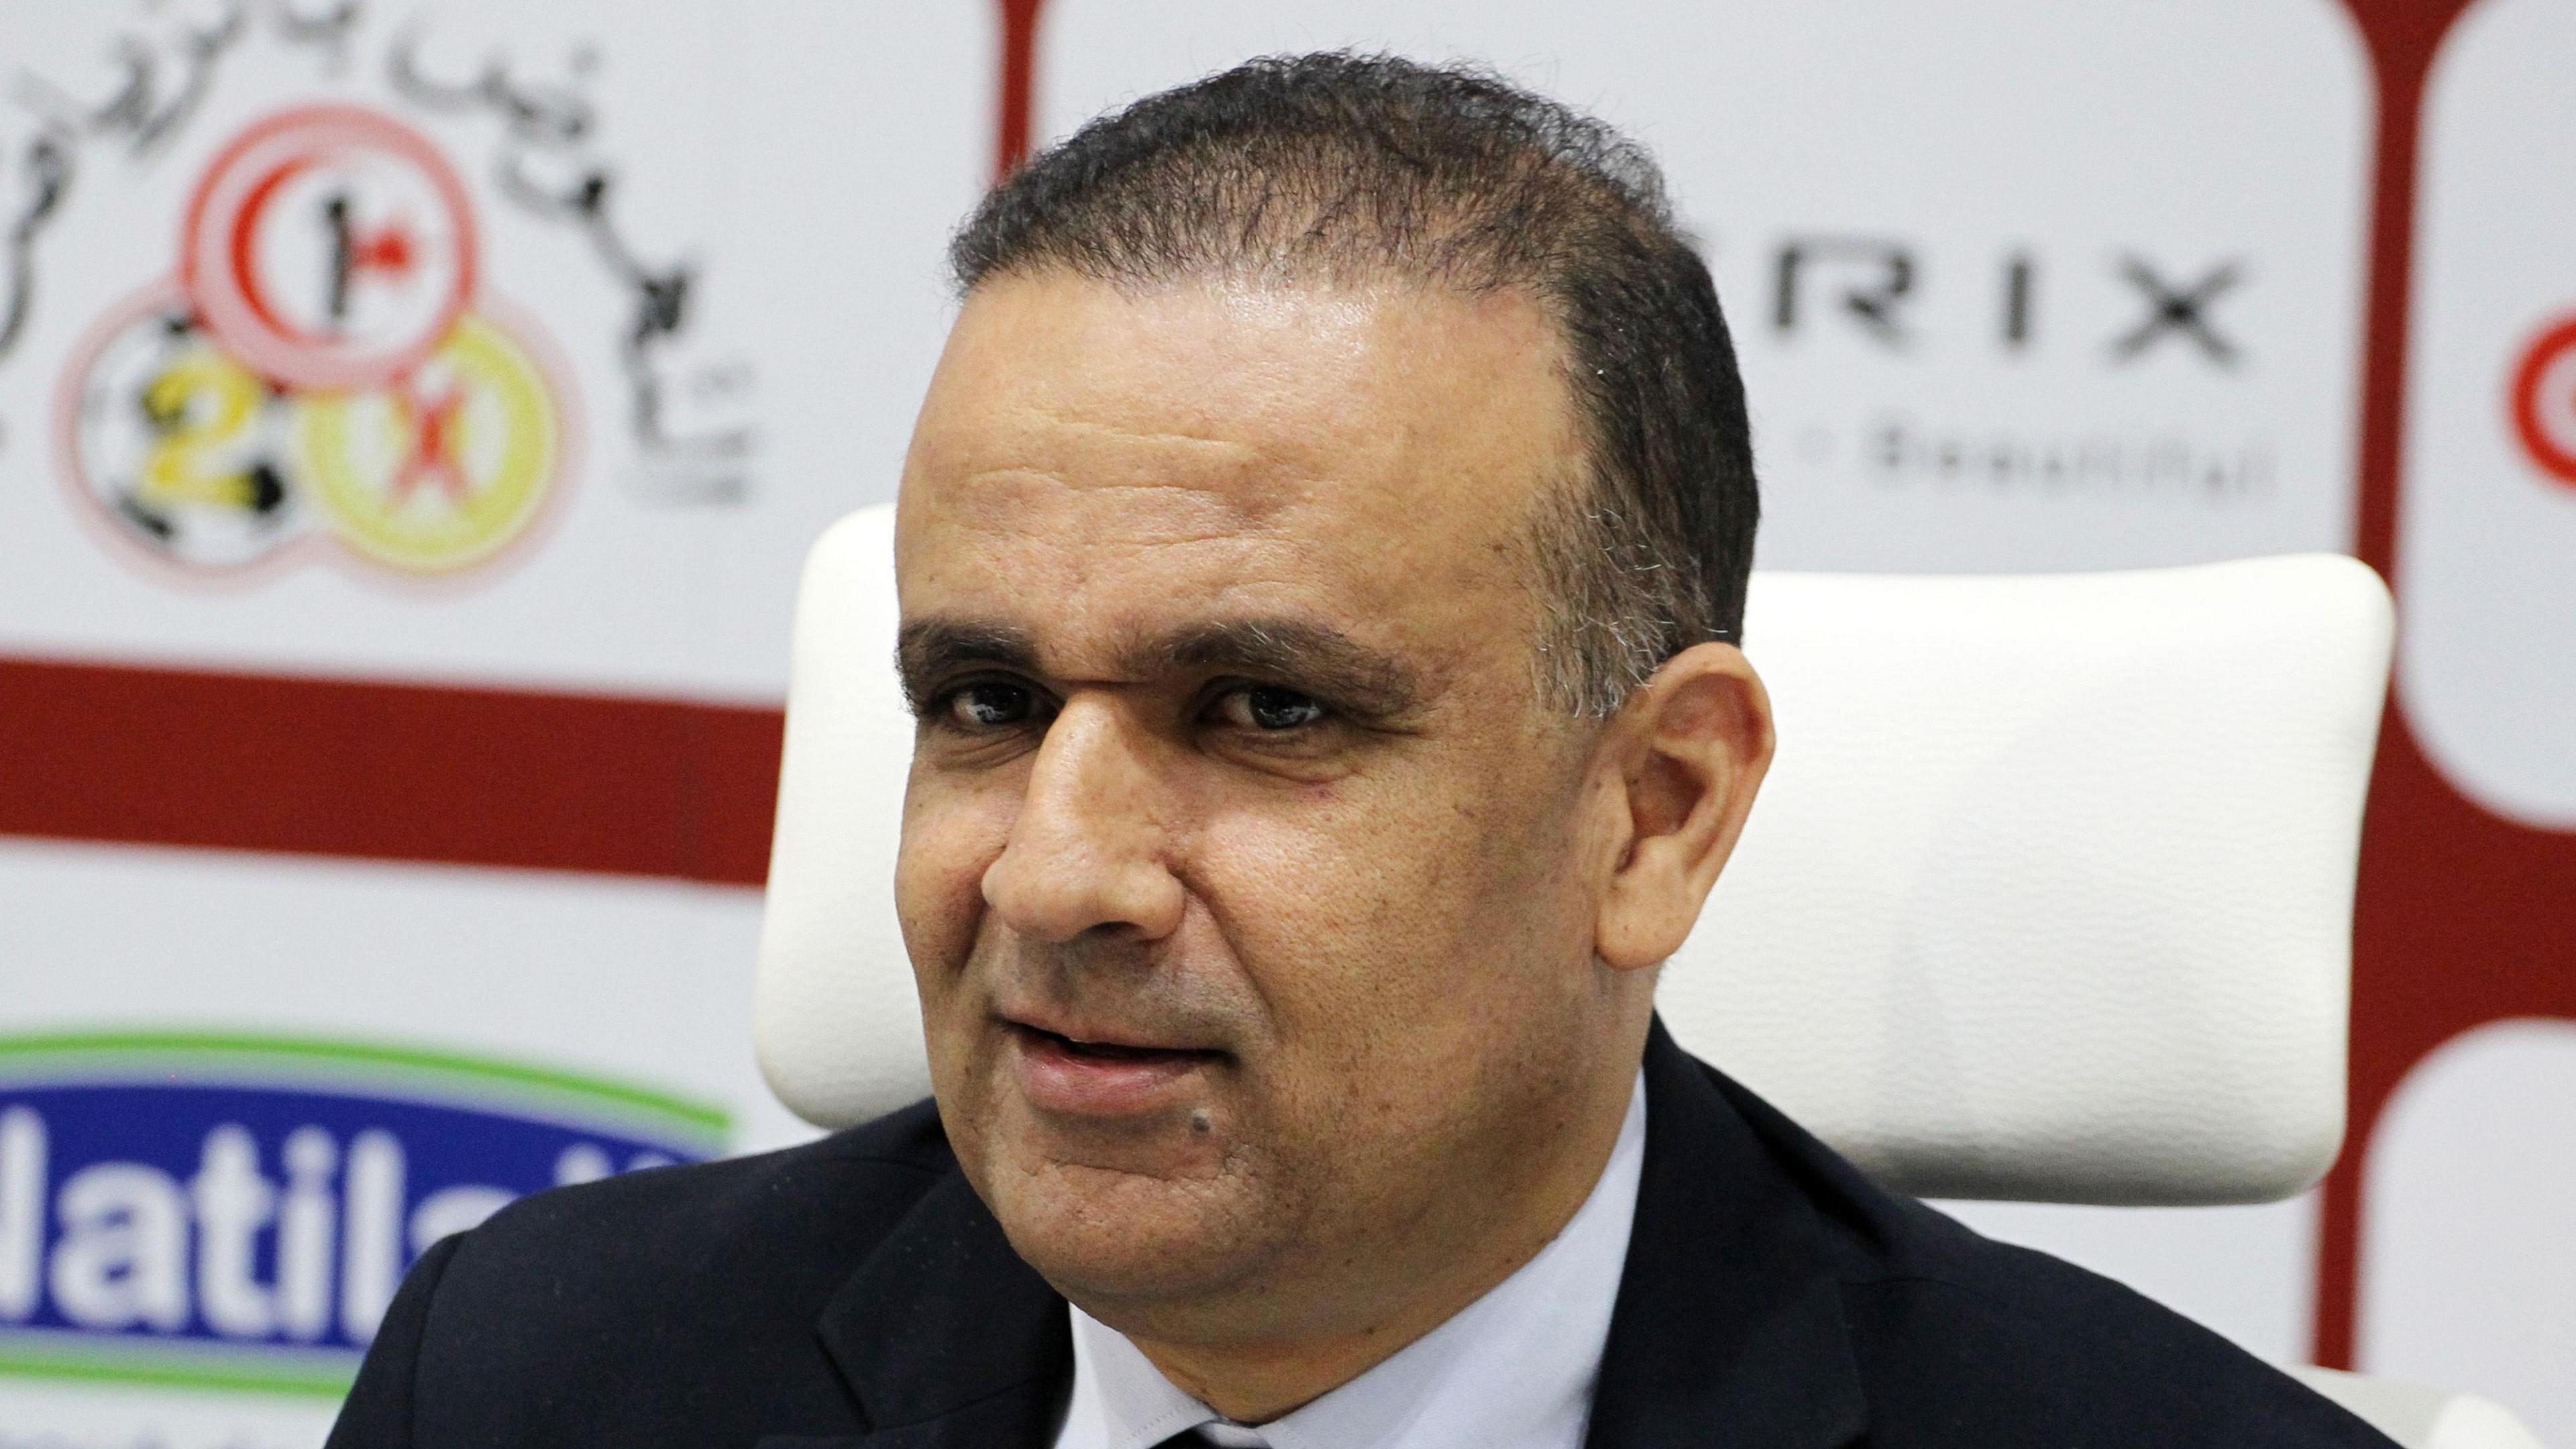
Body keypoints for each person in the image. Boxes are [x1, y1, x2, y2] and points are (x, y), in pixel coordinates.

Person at [327, 53, 2394, 1449]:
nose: (1052, 874)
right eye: (986, 704)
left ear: (1657, 812)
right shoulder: (544, 1385)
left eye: (1267, 711)